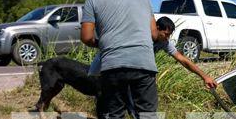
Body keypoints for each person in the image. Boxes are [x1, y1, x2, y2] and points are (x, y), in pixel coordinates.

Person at [89, 16, 217, 89]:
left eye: (169, 35)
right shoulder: (140, 35)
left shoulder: (164, 42)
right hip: (111, 62)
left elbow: (182, 59)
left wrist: (204, 76)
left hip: (131, 73)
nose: (167, 38)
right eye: (165, 34)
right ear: (156, 28)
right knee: (94, 84)